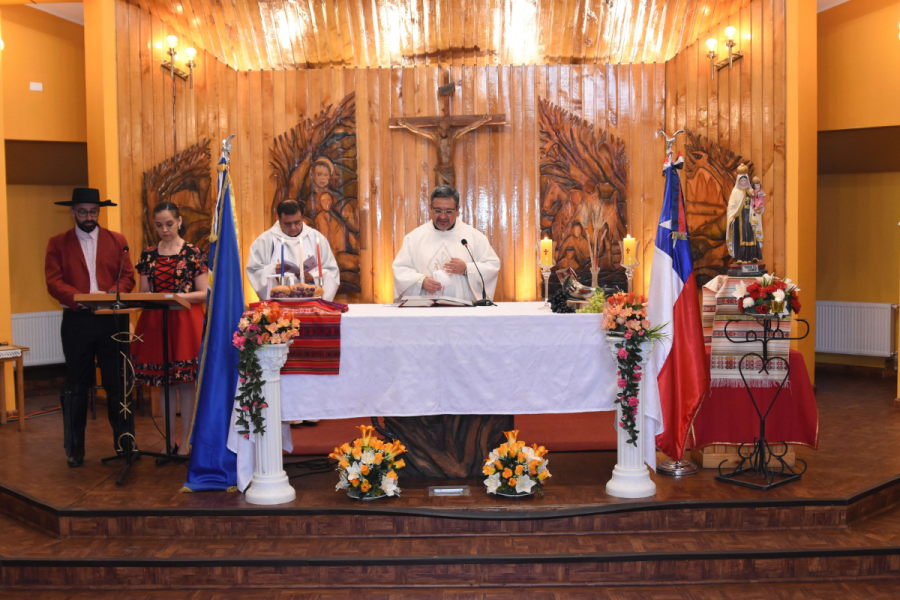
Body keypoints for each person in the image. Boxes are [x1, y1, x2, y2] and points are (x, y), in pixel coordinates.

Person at [45, 187, 135, 468]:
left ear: (99, 211)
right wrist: (80, 300)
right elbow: (53, 281)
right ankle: (74, 448)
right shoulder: (57, 243)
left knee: (118, 383)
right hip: (77, 320)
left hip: (112, 319)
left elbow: (128, 276)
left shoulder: (117, 240)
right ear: (73, 212)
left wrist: (111, 295)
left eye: (93, 211)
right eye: (82, 211)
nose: (88, 216)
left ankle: (124, 443)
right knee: (76, 385)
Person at [130, 202, 208, 455]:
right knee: (163, 383)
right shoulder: (148, 254)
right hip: (156, 321)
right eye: (159, 225)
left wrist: (174, 295)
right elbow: (143, 293)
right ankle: (168, 441)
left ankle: (186, 440)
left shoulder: (193, 252)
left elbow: (204, 292)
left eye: (169, 224)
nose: (164, 229)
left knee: (185, 382)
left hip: (185, 320)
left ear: (180, 221)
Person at [392, 185, 500, 302]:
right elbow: (400, 269)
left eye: (448, 211)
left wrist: (467, 269)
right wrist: (421, 281)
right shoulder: (414, 238)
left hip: (463, 312)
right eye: (438, 210)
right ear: (430, 208)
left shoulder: (474, 237)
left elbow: (492, 266)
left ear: (457, 209)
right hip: (425, 313)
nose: (443, 216)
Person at [246, 199, 341, 302]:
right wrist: (273, 270)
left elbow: (332, 271)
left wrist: (313, 278)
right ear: (278, 219)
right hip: (279, 306)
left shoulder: (316, 238)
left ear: (302, 217)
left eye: (297, 222)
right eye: (287, 223)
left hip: (310, 304)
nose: (293, 227)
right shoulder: (265, 240)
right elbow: (254, 270)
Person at [725, 164, 762, 263]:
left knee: (752, 236)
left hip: (750, 218)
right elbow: (731, 208)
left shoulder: (751, 191)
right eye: (742, 180)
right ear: (739, 181)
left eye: (745, 180)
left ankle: (753, 256)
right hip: (739, 219)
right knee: (741, 237)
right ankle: (741, 257)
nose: (744, 182)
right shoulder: (735, 192)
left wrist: (758, 208)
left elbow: (758, 203)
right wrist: (732, 218)